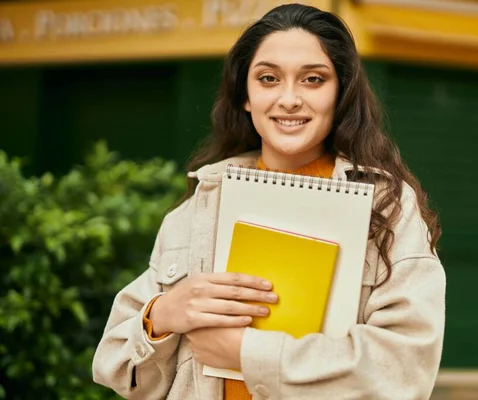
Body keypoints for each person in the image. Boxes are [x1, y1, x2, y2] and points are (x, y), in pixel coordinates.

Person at [92, 3, 446, 400]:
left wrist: (248, 353)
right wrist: (162, 315)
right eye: (268, 78)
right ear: (245, 95)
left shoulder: (387, 208)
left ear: (340, 93)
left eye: (313, 79)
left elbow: (404, 372)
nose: (289, 98)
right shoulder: (198, 208)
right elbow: (119, 372)